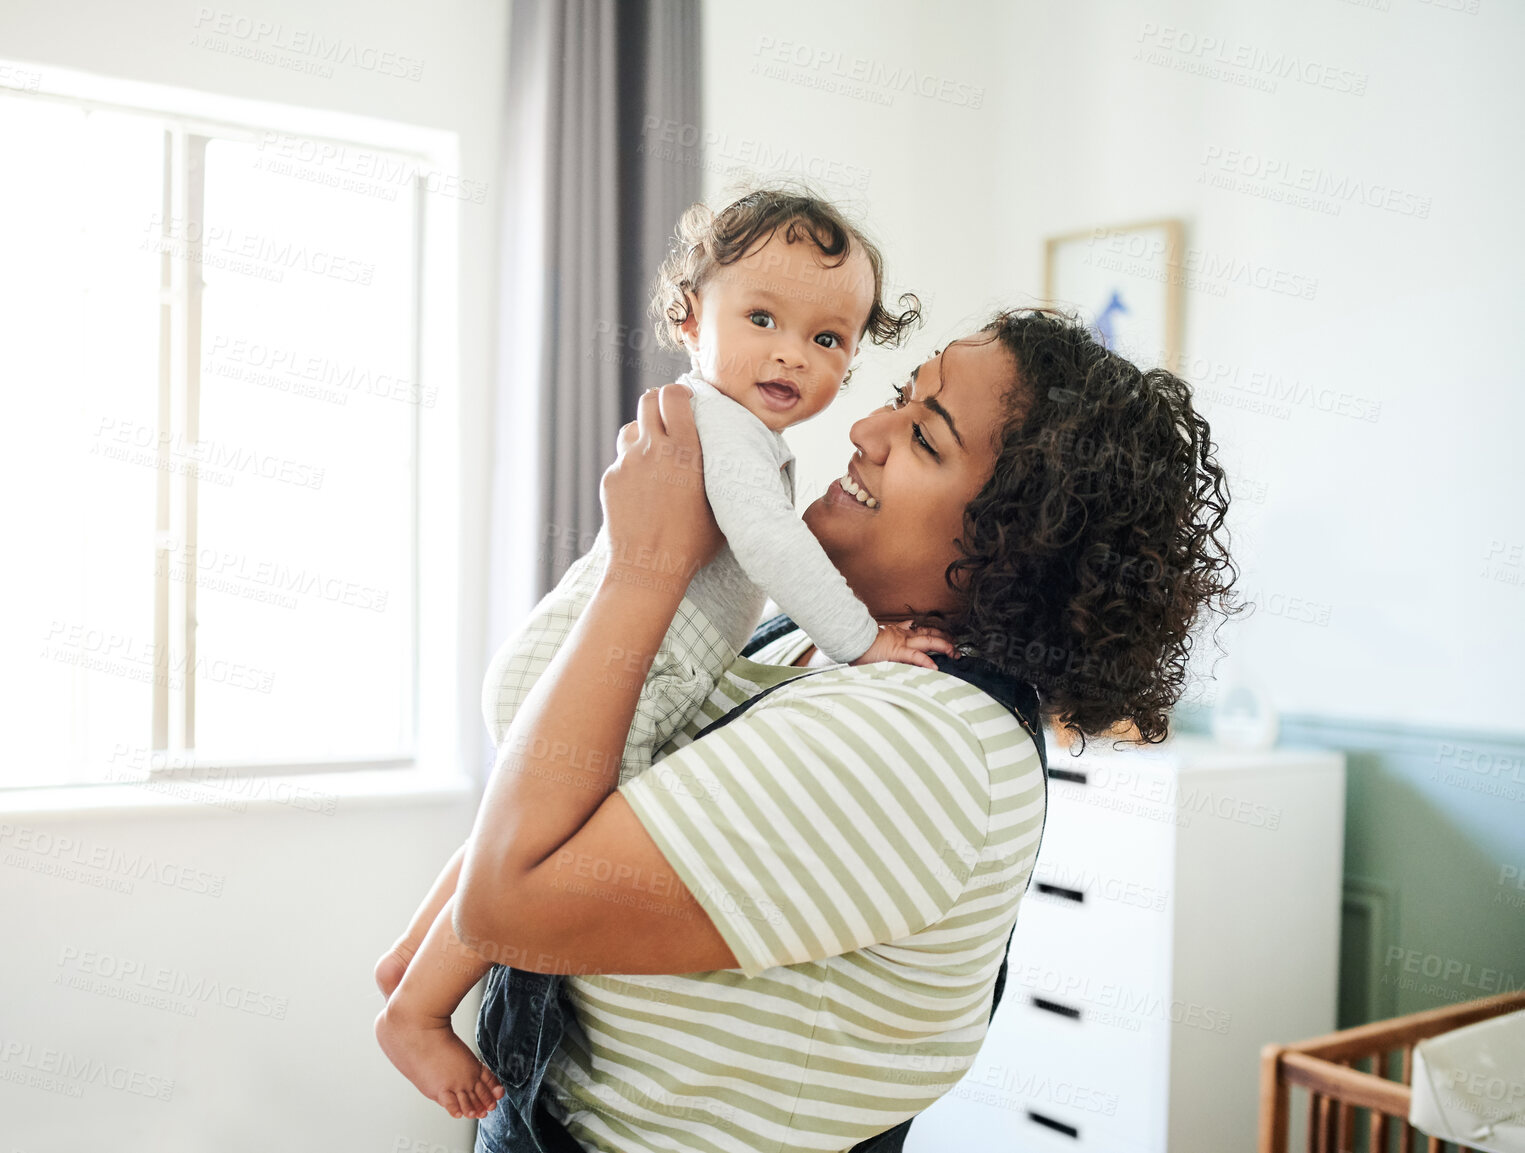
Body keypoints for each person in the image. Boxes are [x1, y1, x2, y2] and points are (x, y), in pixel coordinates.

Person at [440, 308, 1241, 1152]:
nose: (862, 428)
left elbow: (503, 908)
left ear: (1018, 548)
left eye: (925, 437)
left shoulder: (922, 742)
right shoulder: (805, 639)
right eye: (900, 394)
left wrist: (645, 568)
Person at [374, 189, 948, 1118]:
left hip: (605, 664)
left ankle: (411, 956)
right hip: (612, 673)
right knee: (539, 853)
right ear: (689, 321)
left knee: (508, 831)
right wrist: (864, 640)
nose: (792, 353)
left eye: (829, 338)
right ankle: (417, 1009)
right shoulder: (717, 426)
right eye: (761, 318)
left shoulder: (741, 434)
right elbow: (768, 547)